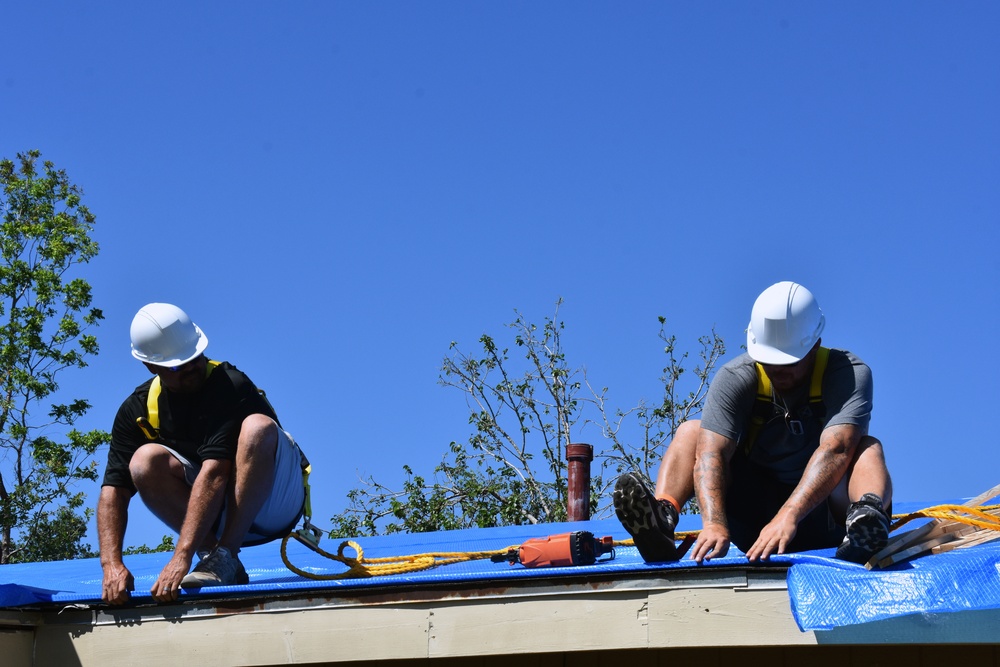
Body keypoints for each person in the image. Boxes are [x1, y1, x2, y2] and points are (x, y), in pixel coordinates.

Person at [613, 281, 892, 565]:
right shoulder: (737, 377)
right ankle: (662, 521)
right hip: (754, 521)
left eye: (790, 362)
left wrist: (788, 516)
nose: (779, 370)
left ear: (815, 345)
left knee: (867, 448)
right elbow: (711, 454)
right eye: (771, 360)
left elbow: (837, 448)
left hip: (824, 520)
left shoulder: (847, 373)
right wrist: (714, 523)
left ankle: (865, 522)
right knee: (691, 433)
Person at [98, 303, 308, 605]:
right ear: (151, 366)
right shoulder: (139, 409)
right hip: (217, 511)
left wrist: (181, 556)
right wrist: (111, 566)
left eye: (194, 358)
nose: (192, 369)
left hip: (275, 500)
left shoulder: (229, 385)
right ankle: (212, 556)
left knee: (257, 427)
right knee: (144, 461)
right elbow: (112, 491)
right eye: (178, 366)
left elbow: (215, 473)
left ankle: (225, 556)